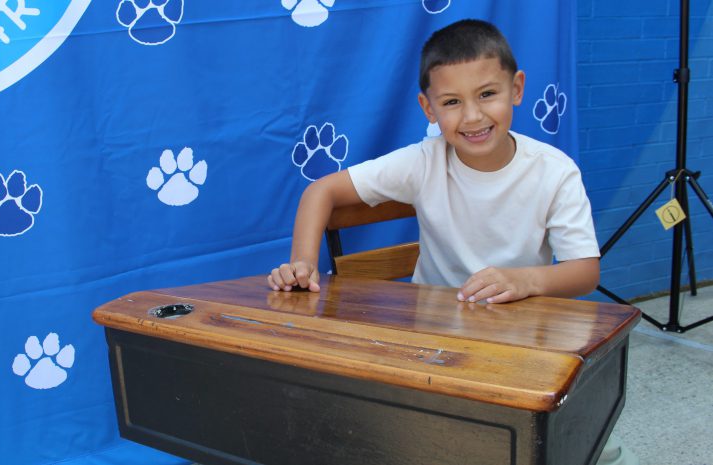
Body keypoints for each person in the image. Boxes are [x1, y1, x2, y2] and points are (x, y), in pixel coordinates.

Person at [268, 18, 637, 465]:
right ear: (428, 108)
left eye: (487, 94)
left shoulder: (555, 171)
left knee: (536, 438)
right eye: (451, 102)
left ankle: (573, 439)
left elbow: (585, 271)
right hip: (432, 340)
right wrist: (303, 263)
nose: (473, 116)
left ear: (516, 88)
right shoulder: (424, 161)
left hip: (521, 339)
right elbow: (319, 191)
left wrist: (524, 281)